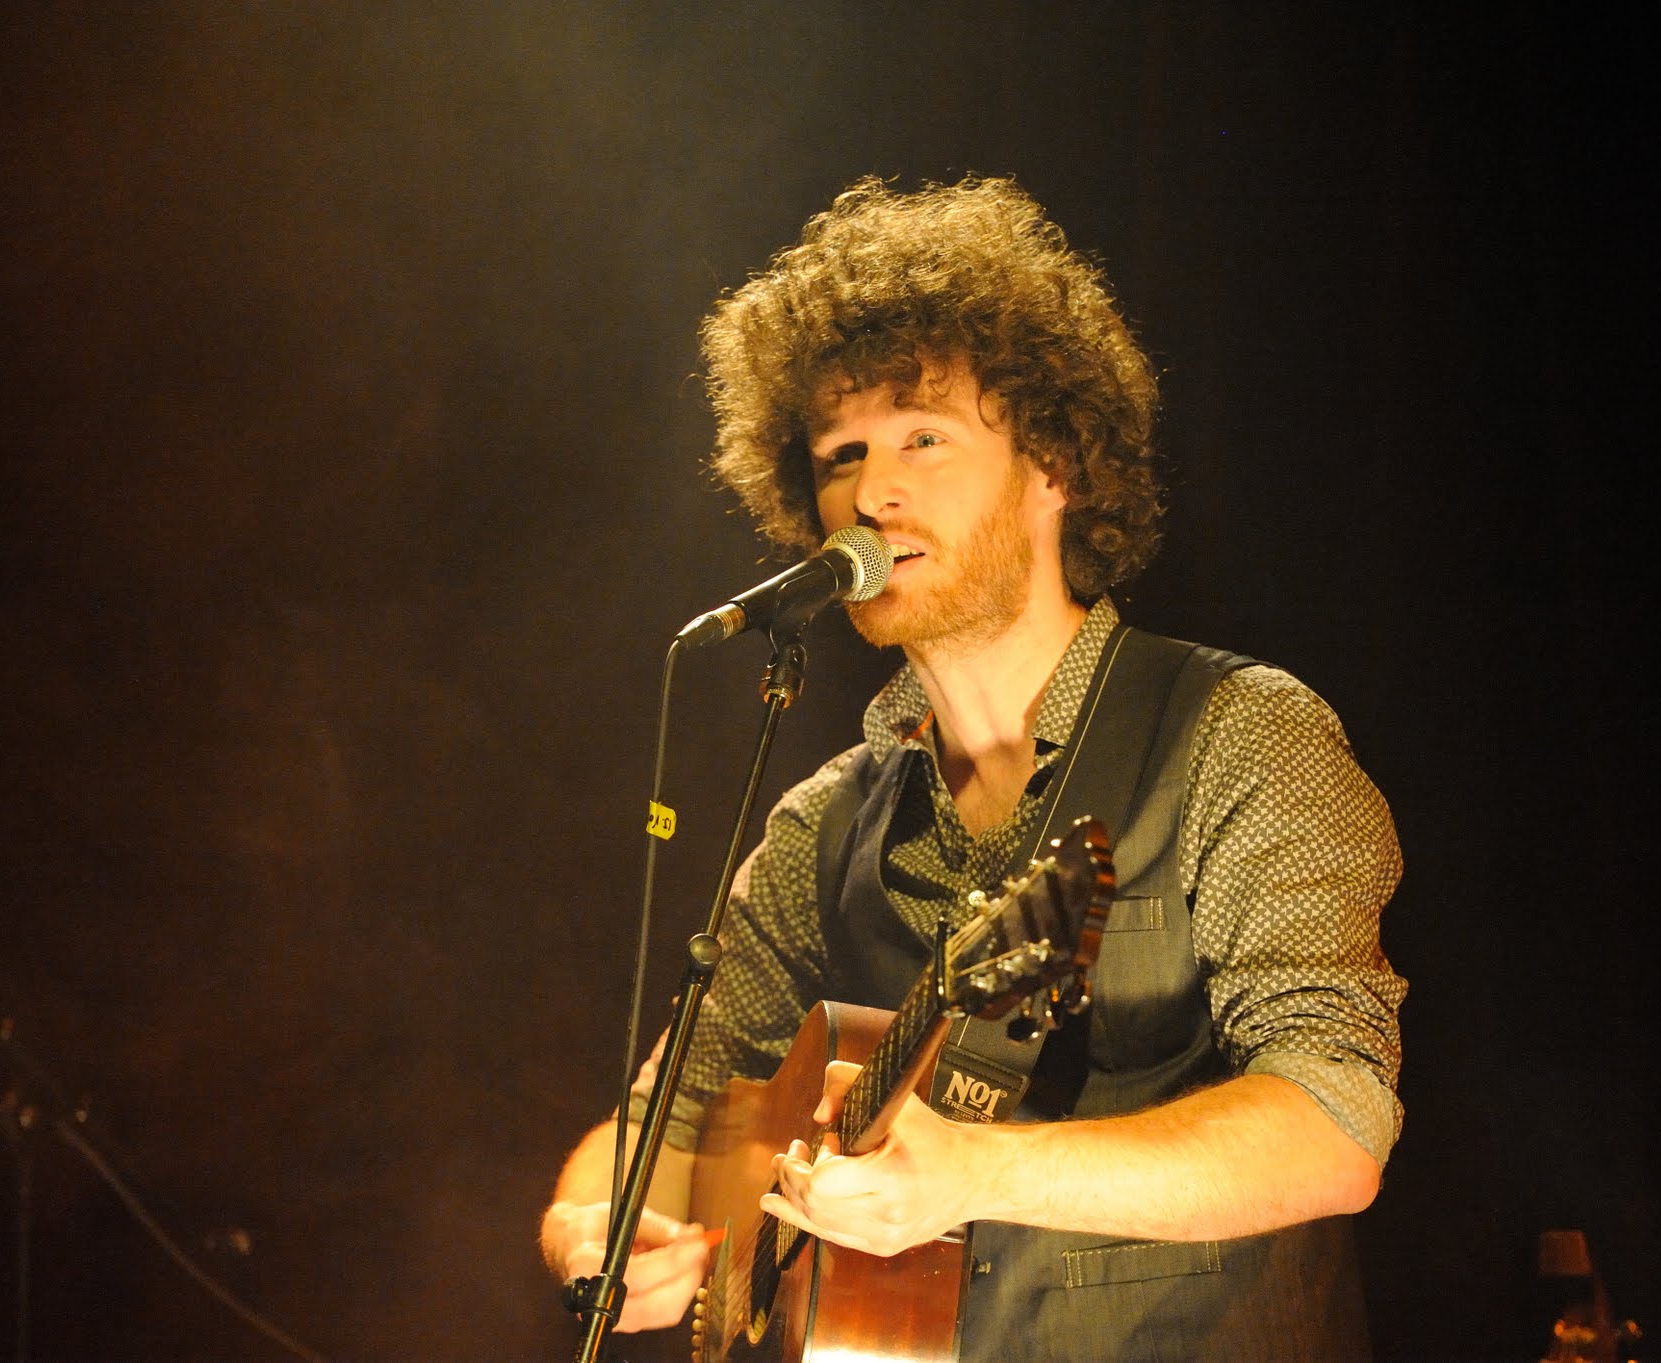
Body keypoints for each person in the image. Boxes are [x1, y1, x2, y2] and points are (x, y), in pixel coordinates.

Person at [541, 177, 1406, 1361]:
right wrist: (589, 1226)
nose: (871, 492)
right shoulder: (821, 823)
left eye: (923, 437)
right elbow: (660, 1115)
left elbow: (1335, 1125)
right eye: (840, 455)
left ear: (1052, 464)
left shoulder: (1240, 731)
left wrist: (977, 1173)